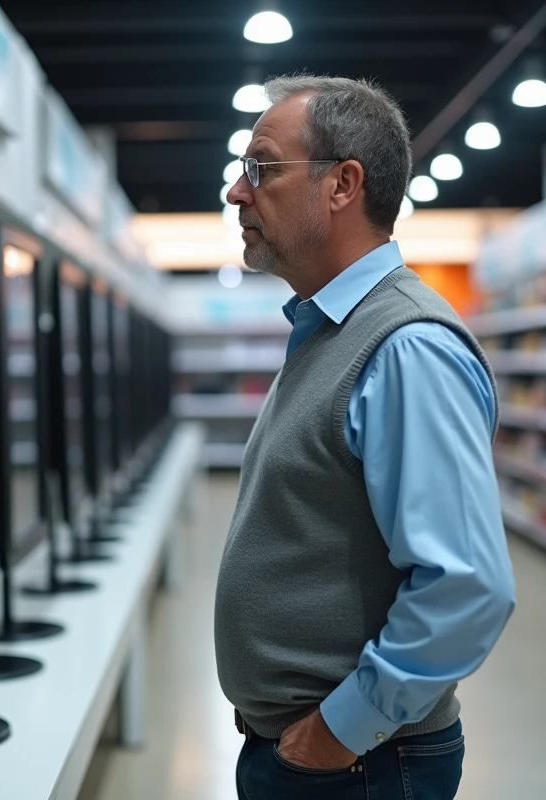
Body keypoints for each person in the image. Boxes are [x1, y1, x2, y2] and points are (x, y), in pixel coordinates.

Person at [214, 74, 516, 800]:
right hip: (319, 755)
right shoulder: (331, 332)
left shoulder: (404, 348)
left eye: (262, 167)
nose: (237, 192)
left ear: (342, 184)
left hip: (358, 766)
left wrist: (339, 730)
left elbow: (467, 588)